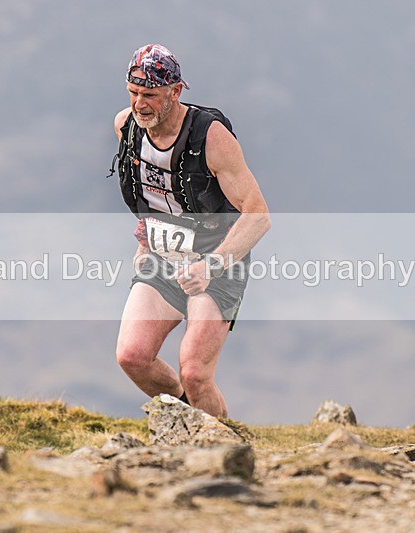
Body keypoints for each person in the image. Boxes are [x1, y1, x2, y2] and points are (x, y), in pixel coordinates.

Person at [113, 44, 270, 418]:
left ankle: (227, 455)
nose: (140, 105)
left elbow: (258, 216)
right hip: (163, 259)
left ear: (176, 91)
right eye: (134, 93)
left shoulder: (211, 138)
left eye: (150, 95)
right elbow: (153, 193)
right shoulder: (126, 126)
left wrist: (210, 267)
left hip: (217, 262)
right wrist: (146, 234)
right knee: (132, 357)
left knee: (196, 372)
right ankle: (192, 425)